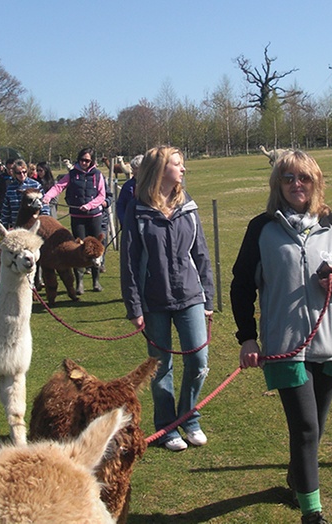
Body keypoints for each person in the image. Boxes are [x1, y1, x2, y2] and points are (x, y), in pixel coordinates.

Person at [231, 150, 332, 524]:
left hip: (329, 344)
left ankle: (296, 478)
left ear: (315, 182)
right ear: (277, 184)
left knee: (315, 427)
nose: (296, 185)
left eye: (303, 178)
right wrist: (247, 338)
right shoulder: (262, 228)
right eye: (288, 178)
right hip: (286, 346)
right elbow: (241, 286)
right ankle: (312, 513)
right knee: (304, 427)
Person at [120, 146, 215, 453]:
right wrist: (134, 307)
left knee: (198, 362)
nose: (183, 169)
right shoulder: (137, 211)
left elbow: (201, 255)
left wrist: (208, 298)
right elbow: (130, 264)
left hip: (190, 297)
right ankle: (166, 426)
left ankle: (189, 417)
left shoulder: (188, 206)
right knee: (161, 368)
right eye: (177, 164)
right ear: (160, 170)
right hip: (154, 302)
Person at [43, 148, 107, 293]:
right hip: (78, 217)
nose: (84, 163)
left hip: (94, 216)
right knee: (79, 248)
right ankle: (79, 282)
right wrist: (47, 196)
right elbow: (59, 187)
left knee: (96, 248)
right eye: (82, 160)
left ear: (92, 162)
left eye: (87, 160)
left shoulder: (98, 175)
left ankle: (96, 281)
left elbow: (101, 195)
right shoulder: (71, 175)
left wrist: (89, 205)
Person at [0, 158, 48, 228]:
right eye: (19, 173)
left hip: (34, 226)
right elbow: (6, 210)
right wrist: (5, 225)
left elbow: (44, 205)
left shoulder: (36, 185)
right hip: (16, 225)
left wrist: (44, 220)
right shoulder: (10, 188)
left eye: (24, 172)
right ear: (14, 173)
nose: (22, 175)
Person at [115, 154, 143, 229]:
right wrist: (125, 222)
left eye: (135, 168)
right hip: (130, 226)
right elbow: (120, 205)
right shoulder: (127, 186)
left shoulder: (153, 185)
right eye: (133, 168)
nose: (133, 171)